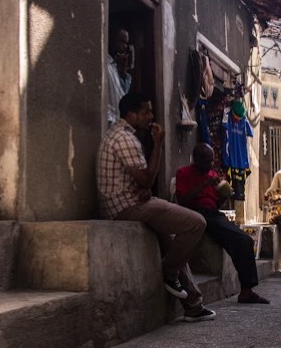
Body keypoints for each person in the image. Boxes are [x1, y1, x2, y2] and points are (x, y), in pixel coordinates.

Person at [97, 92, 215, 322]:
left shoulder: (123, 136)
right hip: (124, 208)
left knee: (170, 239)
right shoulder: (124, 138)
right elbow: (147, 178)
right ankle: (169, 272)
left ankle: (192, 304)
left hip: (129, 201)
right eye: (146, 112)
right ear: (130, 114)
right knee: (195, 223)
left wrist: (143, 188)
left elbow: (138, 181)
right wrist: (159, 143)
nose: (151, 116)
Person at [176, 144, 270, 305]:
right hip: (195, 213)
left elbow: (216, 204)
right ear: (196, 160)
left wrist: (224, 194)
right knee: (239, 240)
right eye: (207, 161)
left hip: (213, 214)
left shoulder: (212, 174)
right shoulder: (183, 173)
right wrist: (204, 184)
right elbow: (182, 200)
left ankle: (247, 289)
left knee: (244, 240)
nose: (210, 165)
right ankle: (246, 292)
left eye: (212, 161)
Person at [106, 26, 132, 126]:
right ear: (111, 40)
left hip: (118, 124)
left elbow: (123, 95)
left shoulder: (116, 65)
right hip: (110, 123)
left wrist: (122, 72)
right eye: (122, 42)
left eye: (126, 43)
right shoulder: (105, 65)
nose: (125, 47)